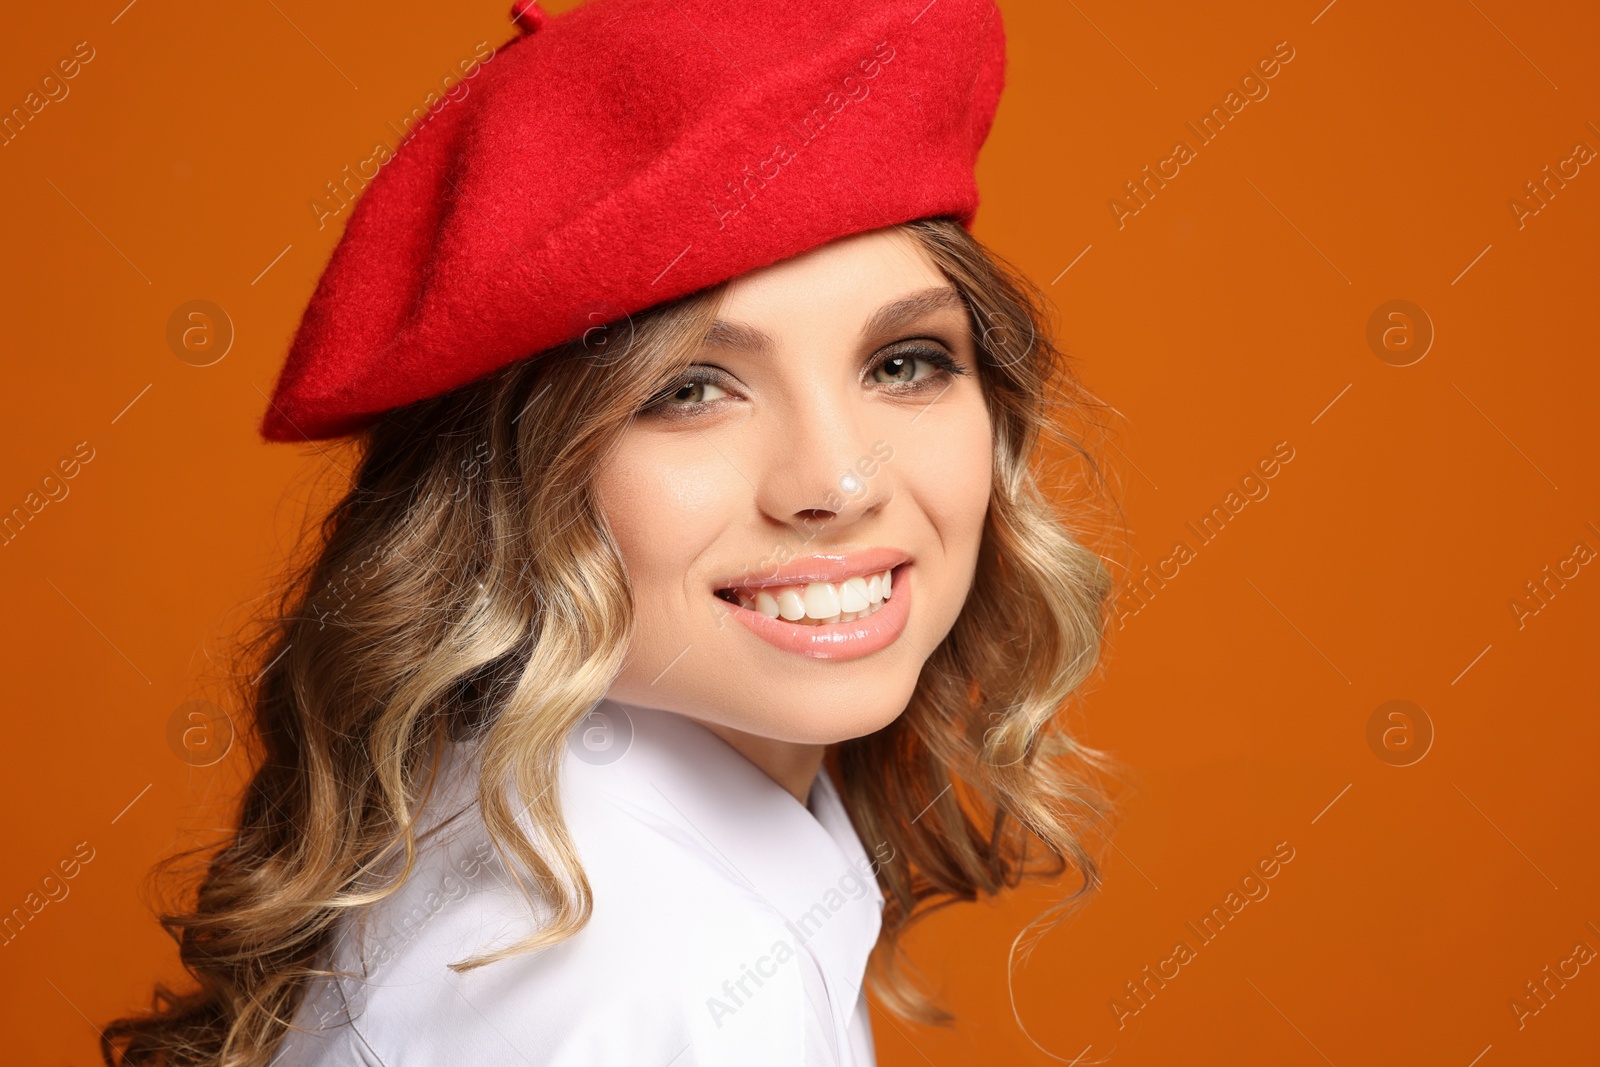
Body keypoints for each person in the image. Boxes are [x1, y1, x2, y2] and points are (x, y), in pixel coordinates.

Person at [103, 0, 1115, 1064]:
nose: (836, 480)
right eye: (688, 389)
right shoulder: (658, 990)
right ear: (499, 486)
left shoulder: (528, 831)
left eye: (903, 362)